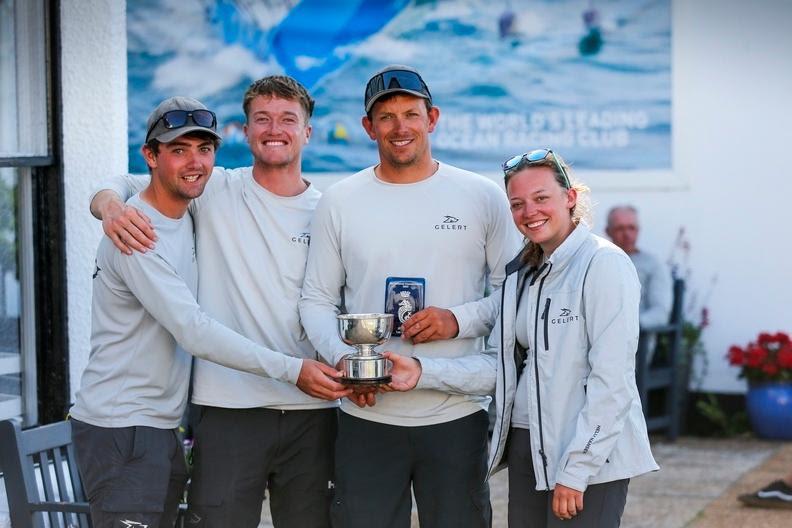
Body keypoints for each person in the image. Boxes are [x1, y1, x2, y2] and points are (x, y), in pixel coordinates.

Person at [71, 96, 346, 528]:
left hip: (162, 427)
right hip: (122, 425)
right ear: (151, 156)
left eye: (203, 149)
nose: (193, 162)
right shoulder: (136, 233)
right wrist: (108, 204)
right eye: (178, 149)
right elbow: (193, 330)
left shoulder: (189, 211)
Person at [298, 64, 520, 528]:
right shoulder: (340, 201)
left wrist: (456, 320)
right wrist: (347, 362)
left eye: (411, 114)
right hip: (368, 418)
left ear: (432, 118)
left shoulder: (481, 197)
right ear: (368, 126)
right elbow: (316, 300)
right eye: (386, 117)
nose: (400, 127)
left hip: (456, 415)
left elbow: (515, 295)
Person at [486, 149, 659, 527]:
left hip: (586, 454)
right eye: (517, 204)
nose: (529, 211)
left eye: (541, 198)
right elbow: (490, 316)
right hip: (527, 444)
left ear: (570, 198)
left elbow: (612, 381)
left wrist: (577, 470)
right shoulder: (526, 269)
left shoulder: (604, 263)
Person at [605, 205, 672, 328]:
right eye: (620, 228)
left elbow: (660, 313)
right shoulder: (598, 261)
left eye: (632, 228)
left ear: (638, 230)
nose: (627, 234)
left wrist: (629, 325)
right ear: (608, 231)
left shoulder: (653, 264)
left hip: (638, 339)